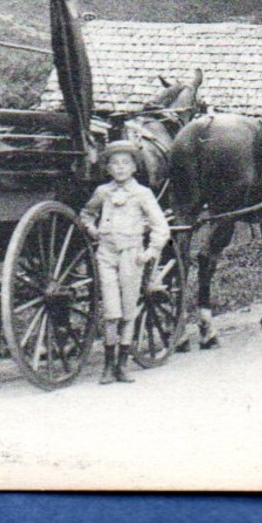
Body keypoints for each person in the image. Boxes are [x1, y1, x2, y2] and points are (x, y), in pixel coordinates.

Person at [81, 141, 172, 385]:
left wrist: (150, 252)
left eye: (125, 163)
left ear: (134, 168)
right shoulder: (103, 192)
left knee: (128, 310)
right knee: (112, 311)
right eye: (114, 164)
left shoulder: (142, 193)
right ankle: (108, 367)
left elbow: (160, 226)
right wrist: (91, 229)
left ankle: (123, 364)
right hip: (106, 255)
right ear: (108, 169)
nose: (120, 168)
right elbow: (87, 213)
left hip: (131, 254)